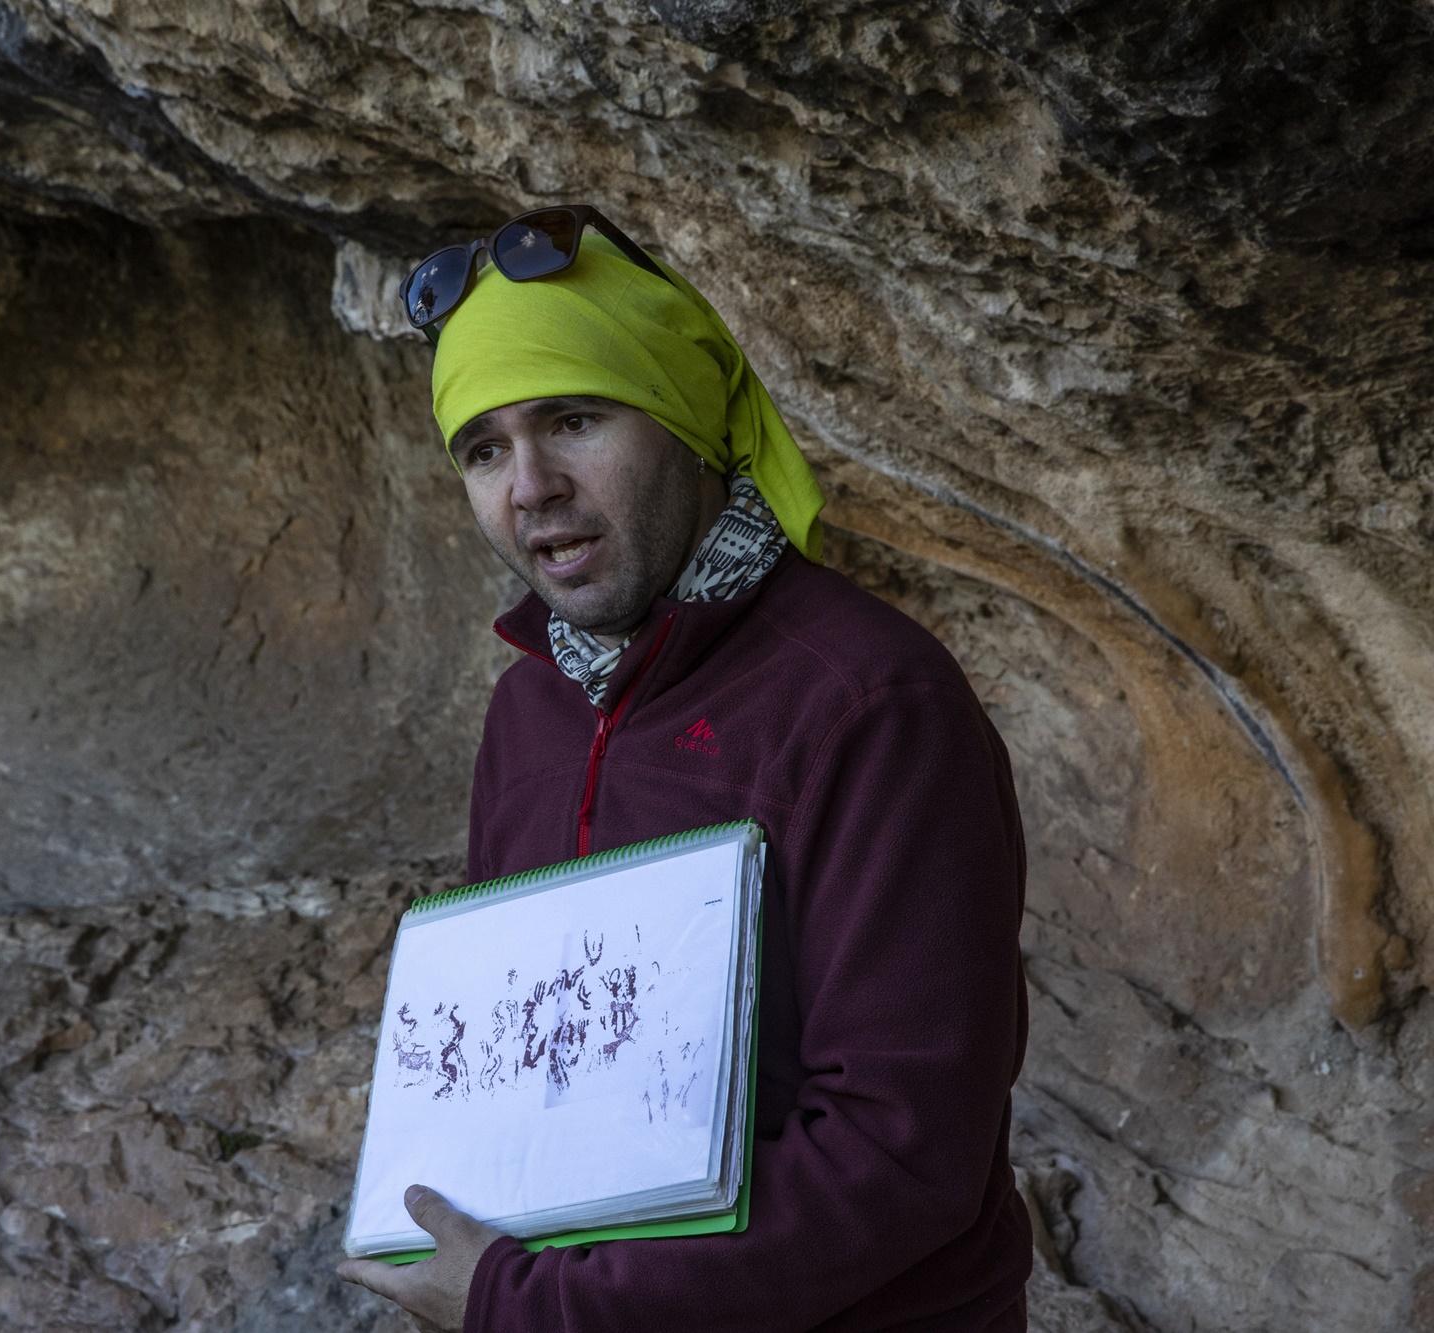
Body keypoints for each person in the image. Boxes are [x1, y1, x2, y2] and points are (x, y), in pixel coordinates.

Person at [336, 207, 1033, 1331]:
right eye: (482, 448)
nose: (529, 486)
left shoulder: (866, 699)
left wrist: (534, 1307)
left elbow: (902, 1154)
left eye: (572, 418)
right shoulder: (530, 705)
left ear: (688, 425)